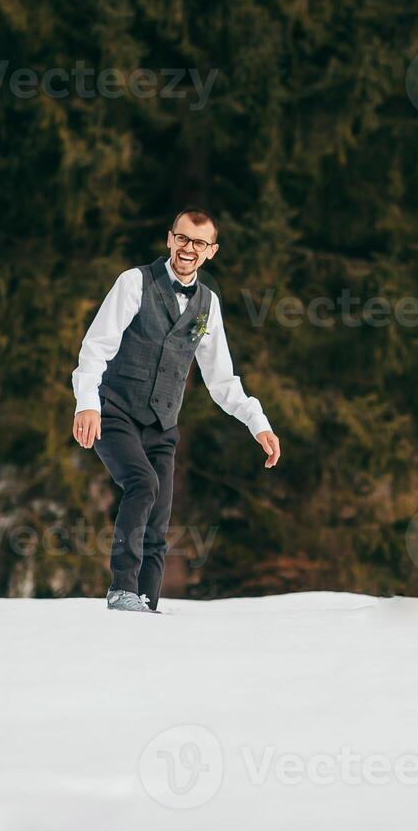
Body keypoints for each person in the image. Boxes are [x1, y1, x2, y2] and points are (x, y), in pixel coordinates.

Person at [70, 208, 280, 613]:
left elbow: (222, 380)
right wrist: (87, 404)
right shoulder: (135, 283)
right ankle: (121, 590)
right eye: (182, 239)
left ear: (211, 252)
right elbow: (96, 346)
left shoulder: (208, 304)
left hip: (163, 424)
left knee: (160, 516)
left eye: (198, 243)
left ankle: (147, 602)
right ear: (170, 240)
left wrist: (259, 424)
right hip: (114, 412)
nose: (188, 248)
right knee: (142, 484)